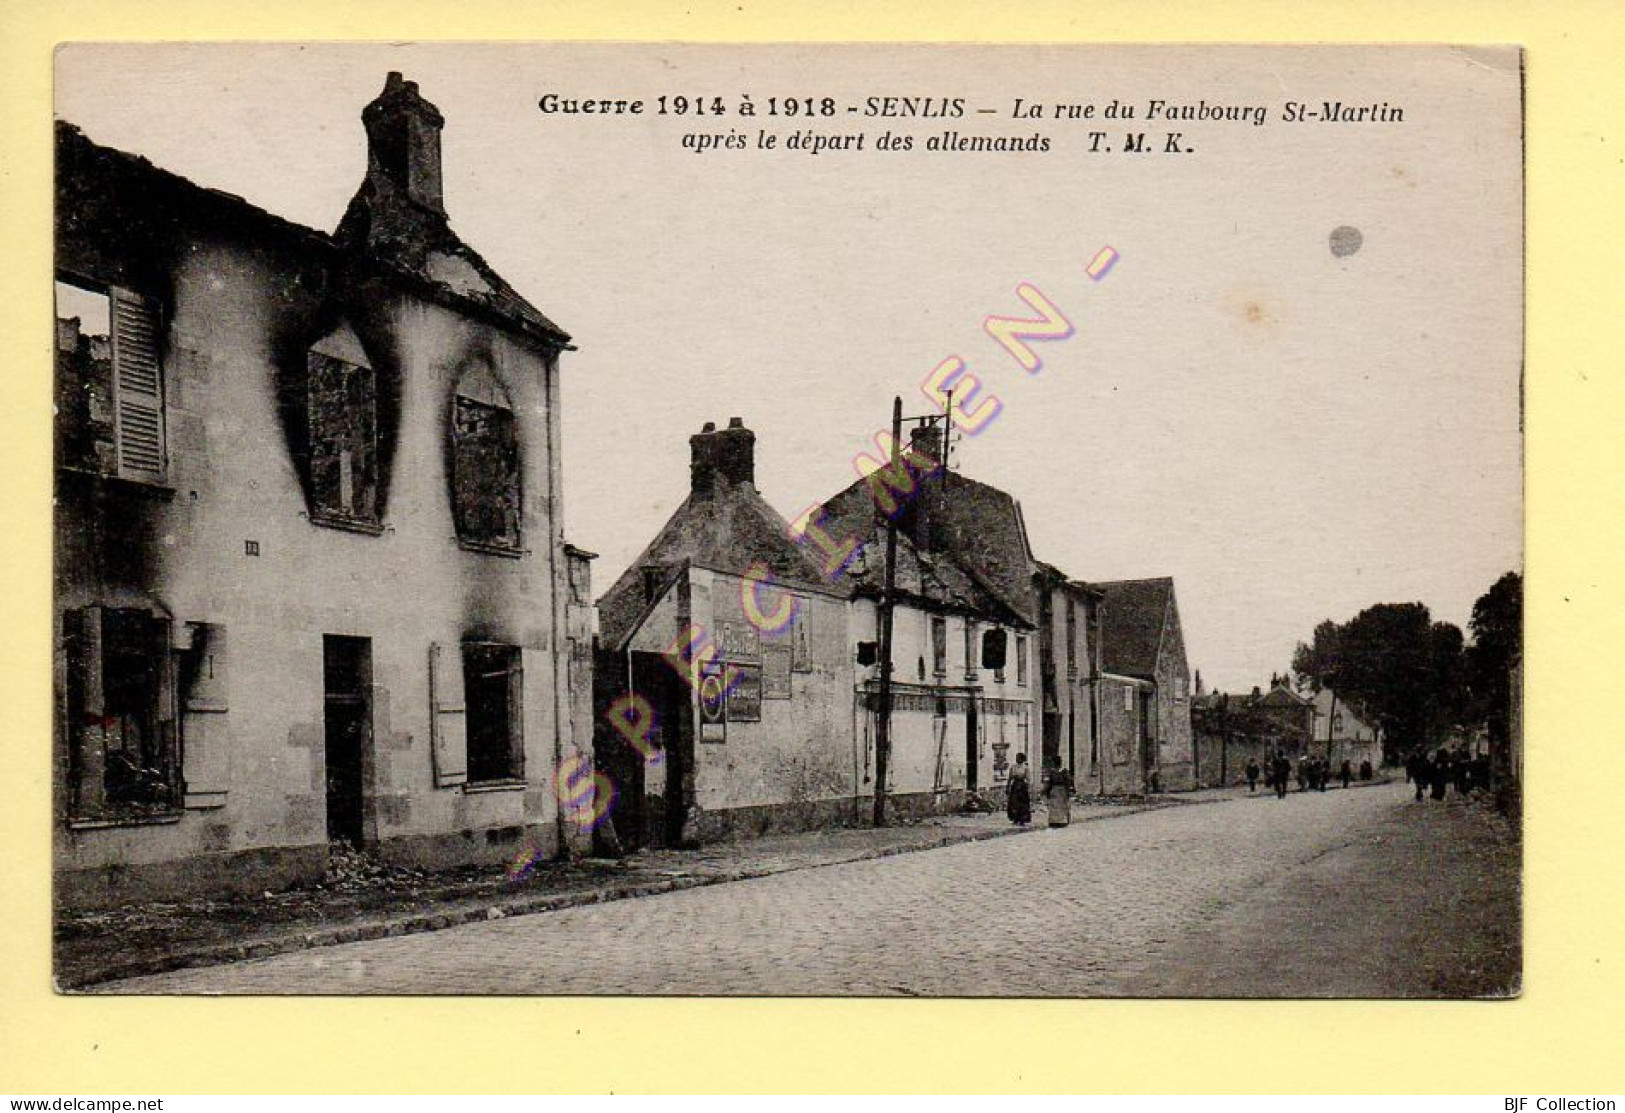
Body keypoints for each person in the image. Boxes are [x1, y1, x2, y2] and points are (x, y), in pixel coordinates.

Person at [1043, 758, 1074, 827]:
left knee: (1061, 806)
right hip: (1055, 790)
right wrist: (1047, 791)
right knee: (1054, 806)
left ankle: (1061, 821)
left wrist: (1068, 791)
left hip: (1061, 790)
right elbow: (1049, 783)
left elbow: (1067, 782)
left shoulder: (1064, 771)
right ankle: (1054, 821)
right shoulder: (1052, 772)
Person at [1006, 752, 1033, 825]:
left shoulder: (1025, 767)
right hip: (1015, 785)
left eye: (1018, 757)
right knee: (1014, 802)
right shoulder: (1013, 767)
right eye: (1016, 757)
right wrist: (1007, 786)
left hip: (1022, 786)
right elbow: (1010, 777)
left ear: (1022, 759)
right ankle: (1015, 818)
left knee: (1022, 803)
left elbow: (1028, 779)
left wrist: (1029, 788)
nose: (1017, 759)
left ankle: (1022, 819)